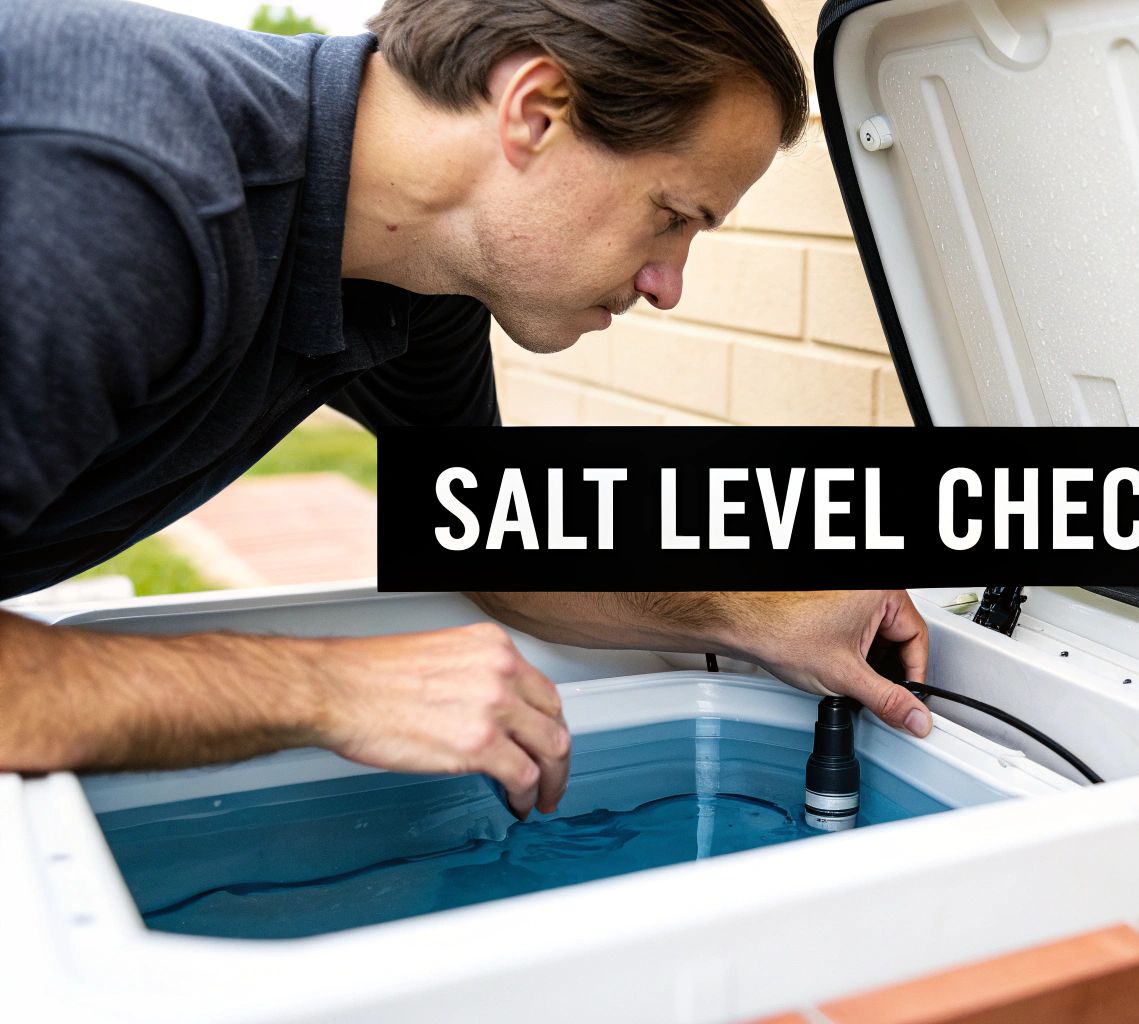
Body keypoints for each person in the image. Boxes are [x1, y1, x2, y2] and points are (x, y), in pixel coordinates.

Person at [0, 0, 936, 819]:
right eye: (672, 214)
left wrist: (748, 613)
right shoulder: (122, 199)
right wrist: (326, 687)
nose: (668, 284)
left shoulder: (421, 276)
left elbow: (486, 542)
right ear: (535, 112)